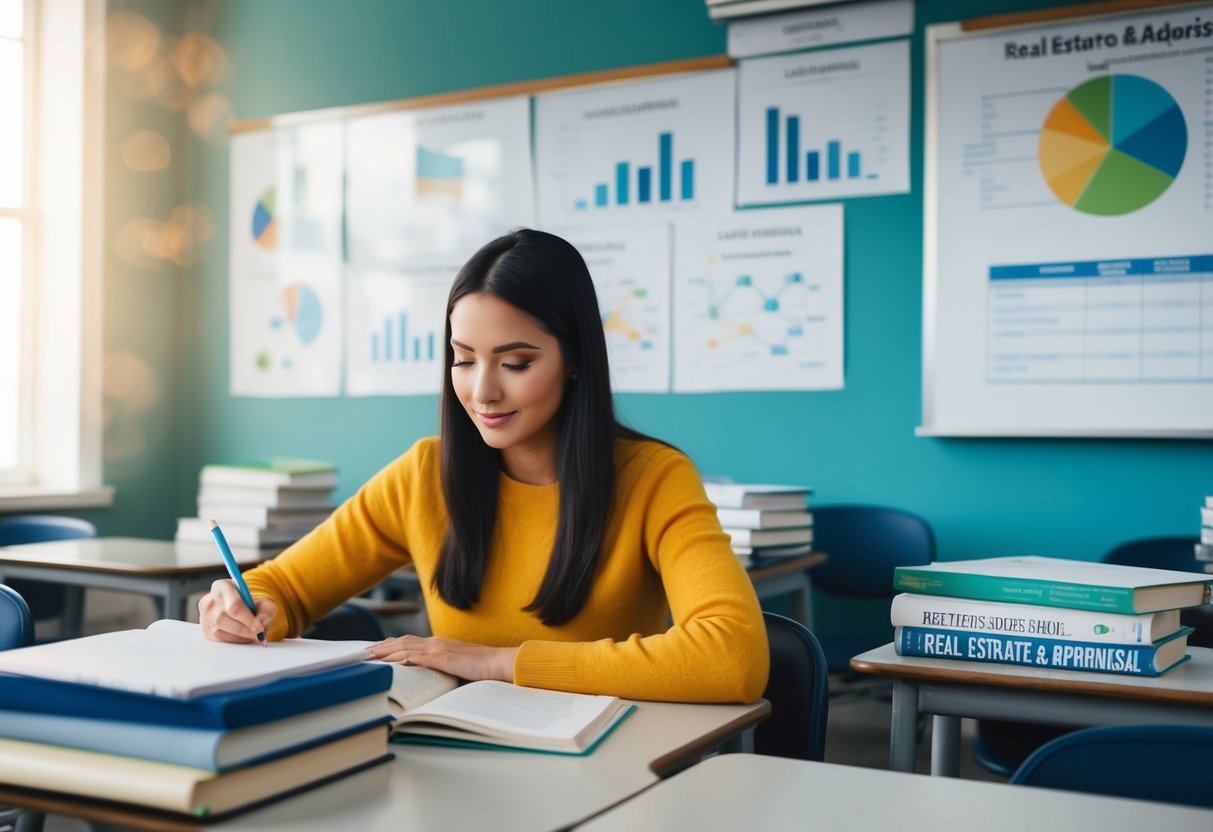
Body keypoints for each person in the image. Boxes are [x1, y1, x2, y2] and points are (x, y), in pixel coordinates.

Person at [199, 229, 769, 703]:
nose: (483, 391)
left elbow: (733, 657)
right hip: (459, 759)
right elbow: (287, 586)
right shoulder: (425, 474)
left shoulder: (653, 478)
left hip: (603, 767)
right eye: (464, 359)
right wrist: (242, 603)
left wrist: (498, 662)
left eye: (516, 363)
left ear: (574, 359)